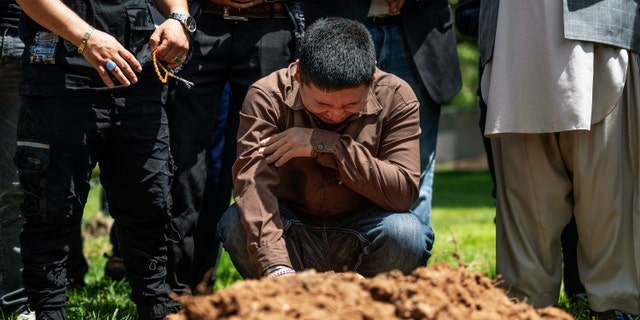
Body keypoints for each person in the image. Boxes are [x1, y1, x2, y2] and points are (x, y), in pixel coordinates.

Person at [13, 0, 191, 318]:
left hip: (140, 73)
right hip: (60, 76)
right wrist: (86, 37)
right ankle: (48, 312)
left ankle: (157, 306)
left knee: (150, 201)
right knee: (50, 209)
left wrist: (178, 17)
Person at [217, 17, 432, 279]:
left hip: (363, 231)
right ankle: (282, 304)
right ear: (298, 75)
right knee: (236, 222)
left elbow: (402, 193)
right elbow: (253, 185)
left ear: (373, 76)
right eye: (322, 104)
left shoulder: (397, 96)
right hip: (290, 231)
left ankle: (368, 307)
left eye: (351, 105)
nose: (335, 115)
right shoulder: (266, 95)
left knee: (406, 232)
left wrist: (327, 145)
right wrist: (276, 266)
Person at [480, 1, 640, 318]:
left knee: (608, 191)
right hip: (512, 32)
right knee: (526, 195)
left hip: (600, 28)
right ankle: (527, 302)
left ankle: (615, 302)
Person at [165, 0, 304, 294]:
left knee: (272, 158)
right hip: (199, 22)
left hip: (272, 22)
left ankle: (281, 283)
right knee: (183, 167)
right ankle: (177, 291)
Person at [454, 0, 586, 302]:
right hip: (507, 85)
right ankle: (525, 293)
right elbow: (465, 15)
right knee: (515, 196)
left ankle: (581, 289)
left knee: (586, 197)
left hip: (575, 79)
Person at [301, 0, 462, 242]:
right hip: (336, 29)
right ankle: (329, 264)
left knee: (416, 168)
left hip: (418, 33)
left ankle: (404, 267)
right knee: (319, 163)